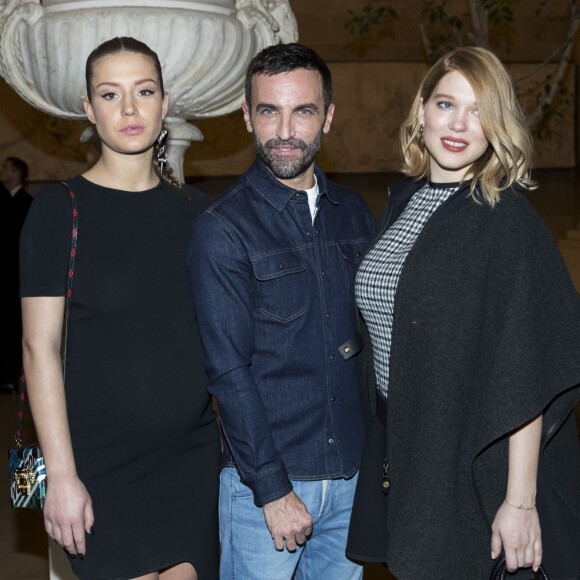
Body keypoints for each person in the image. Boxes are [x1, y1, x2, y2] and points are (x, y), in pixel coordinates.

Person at [345, 46, 580, 580]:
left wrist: (520, 504)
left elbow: (528, 366)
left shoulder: (506, 221)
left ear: (498, 125)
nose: (458, 125)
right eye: (447, 104)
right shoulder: (404, 201)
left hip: (477, 458)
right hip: (413, 443)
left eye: (479, 111)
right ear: (421, 110)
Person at [19, 37, 220, 579]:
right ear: (89, 110)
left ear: (164, 102)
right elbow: (39, 349)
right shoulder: (59, 209)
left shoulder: (195, 211)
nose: (130, 109)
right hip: (98, 465)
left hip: (191, 459)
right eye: (110, 94)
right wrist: (60, 476)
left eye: (144, 91)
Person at [188, 43, 375, 579]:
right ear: (247, 117)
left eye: (304, 110)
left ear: (329, 117)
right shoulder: (223, 228)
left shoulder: (354, 214)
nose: (286, 129)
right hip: (264, 491)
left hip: (352, 480)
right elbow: (227, 370)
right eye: (269, 110)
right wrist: (272, 489)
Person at [0, 157, 33, 393]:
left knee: (17, 326)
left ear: (16, 172)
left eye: (6, 168)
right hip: (3, 277)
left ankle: (15, 375)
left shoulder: (28, 203)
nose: (2, 171)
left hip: (19, 277)